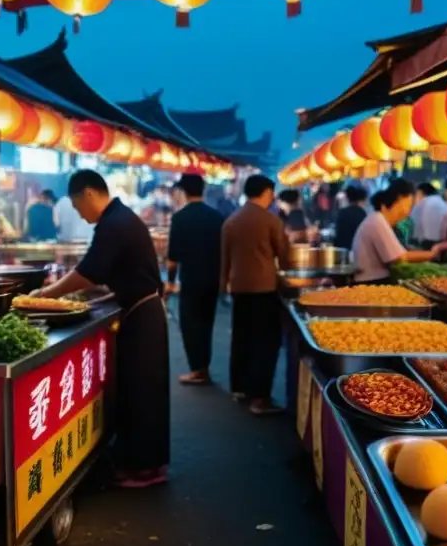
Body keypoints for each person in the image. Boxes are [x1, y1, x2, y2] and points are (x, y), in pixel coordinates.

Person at [32, 170, 169, 488]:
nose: (80, 213)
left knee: (143, 392)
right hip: (140, 309)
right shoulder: (118, 219)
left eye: (79, 206)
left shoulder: (114, 223)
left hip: (143, 314)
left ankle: (146, 469)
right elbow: (115, 272)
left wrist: (44, 295)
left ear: (90, 194)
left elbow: (89, 272)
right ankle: (141, 463)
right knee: (139, 390)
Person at [221, 174, 289, 416]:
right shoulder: (271, 220)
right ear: (266, 192)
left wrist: (223, 287)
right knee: (266, 342)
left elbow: (225, 260)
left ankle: (239, 388)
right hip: (264, 288)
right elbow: (285, 254)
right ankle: (260, 398)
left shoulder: (231, 221)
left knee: (241, 338)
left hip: (239, 288)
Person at [166, 173, 224, 385]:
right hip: (212, 279)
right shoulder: (216, 217)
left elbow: (173, 258)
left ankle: (197, 369)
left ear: (183, 191)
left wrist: (171, 282)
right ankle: (203, 367)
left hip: (190, 280)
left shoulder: (180, 218)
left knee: (190, 325)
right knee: (206, 324)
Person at [352, 179, 447, 284]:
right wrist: (432, 253)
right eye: (409, 205)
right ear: (399, 199)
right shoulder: (378, 221)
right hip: (371, 283)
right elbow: (400, 257)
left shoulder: (378, 219)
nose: (408, 212)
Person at [410, 182, 447, 249]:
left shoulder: (422, 204)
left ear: (420, 192)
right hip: (444, 243)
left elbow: (414, 225)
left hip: (427, 244)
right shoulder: (444, 203)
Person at [333, 185, 368, 250]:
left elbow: (337, 233)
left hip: (342, 250)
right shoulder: (362, 213)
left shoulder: (342, 212)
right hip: (357, 250)